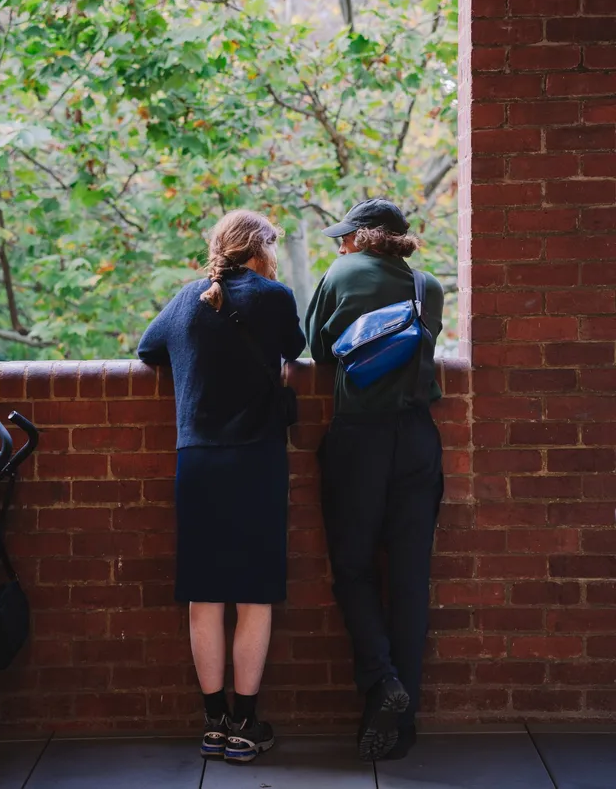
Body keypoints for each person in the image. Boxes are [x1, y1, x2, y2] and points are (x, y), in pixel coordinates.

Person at [137, 210, 306, 764]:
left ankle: (212, 724)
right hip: (256, 460)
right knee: (254, 595)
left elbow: (147, 350)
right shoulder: (273, 296)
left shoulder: (186, 298)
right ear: (261, 250)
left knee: (204, 595)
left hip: (199, 462)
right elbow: (295, 347)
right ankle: (245, 725)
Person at [305, 198, 444, 763]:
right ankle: (399, 727)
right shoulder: (428, 286)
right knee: (410, 580)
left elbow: (318, 351)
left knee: (354, 568)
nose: (340, 244)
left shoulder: (341, 274)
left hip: (359, 438)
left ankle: (381, 681)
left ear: (364, 238)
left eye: (345, 236)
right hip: (418, 440)